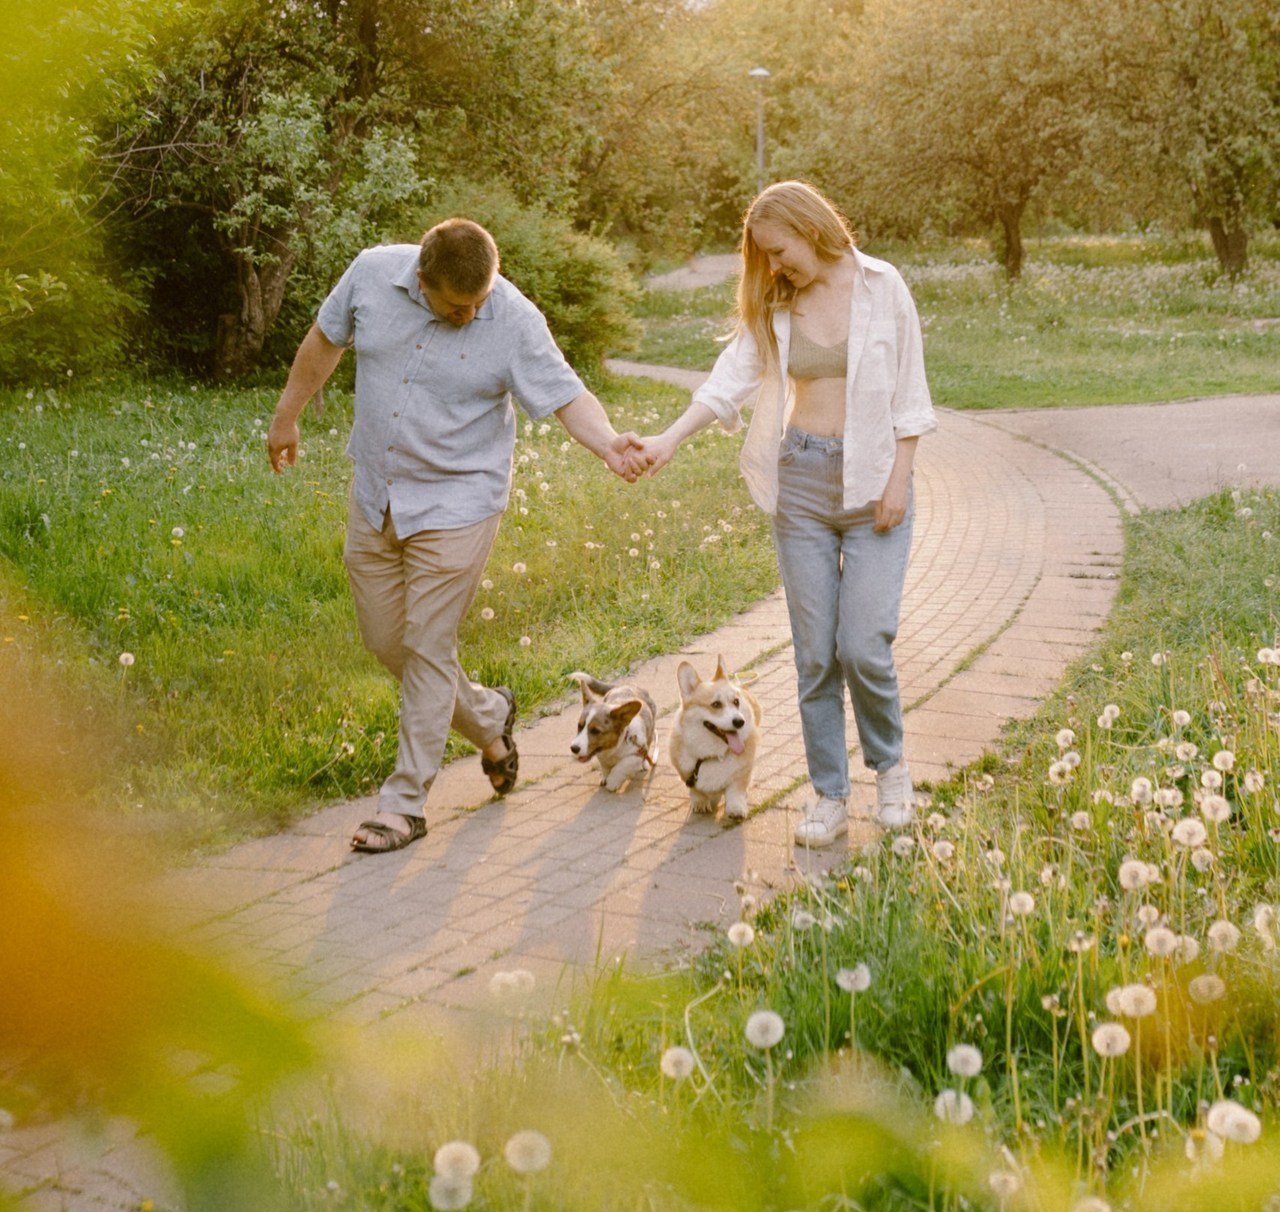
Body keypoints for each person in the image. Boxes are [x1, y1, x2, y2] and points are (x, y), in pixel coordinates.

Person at [268, 218, 648, 853]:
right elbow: (324, 341)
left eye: (479, 302)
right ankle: (490, 718)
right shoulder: (370, 274)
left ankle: (404, 804)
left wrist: (608, 444)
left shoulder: (512, 318)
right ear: (422, 280)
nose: (470, 315)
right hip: (377, 493)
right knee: (386, 640)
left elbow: (565, 393)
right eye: (456, 306)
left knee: (426, 643)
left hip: (460, 502)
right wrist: (287, 416)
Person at [640, 181, 936, 846]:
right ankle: (830, 795)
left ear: (810, 229)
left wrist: (899, 480)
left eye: (779, 251)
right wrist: (668, 439)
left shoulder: (882, 286)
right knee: (814, 657)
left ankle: (891, 772)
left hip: (874, 486)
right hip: (801, 483)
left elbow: (911, 394)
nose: (773, 266)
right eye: (765, 257)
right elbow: (728, 380)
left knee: (863, 647)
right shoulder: (777, 301)